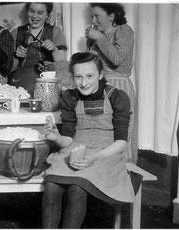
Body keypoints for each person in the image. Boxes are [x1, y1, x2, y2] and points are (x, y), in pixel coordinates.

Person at [42, 52, 138, 228]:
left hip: (107, 154)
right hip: (76, 149)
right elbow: (69, 140)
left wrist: (94, 158)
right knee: (51, 186)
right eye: (78, 77)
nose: (84, 83)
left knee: (77, 187)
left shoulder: (117, 97)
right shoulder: (69, 97)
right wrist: (56, 137)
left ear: (101, 75)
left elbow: (122, 143)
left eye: (89, 76)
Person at [85, 3, 137, 163]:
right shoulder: (97, 35)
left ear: (112, 16)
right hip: (99, 87)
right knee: (101, 134)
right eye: (92, 16)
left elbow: (116, 59)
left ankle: (122, 180)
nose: (93, 20)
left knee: (120, 134)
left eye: (97, 16)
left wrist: (98, 37)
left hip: (118, 87)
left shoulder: (124, 30)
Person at [10, 2, 67, 96]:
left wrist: (54, 50)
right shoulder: (15, 33)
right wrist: (16, 56)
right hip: (20, 87)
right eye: (32, 11)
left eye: (40, 13)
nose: (35, 16)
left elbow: (63, 65)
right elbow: (9, 69)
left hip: (47, 87)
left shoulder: (56, 31)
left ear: (47, 15)